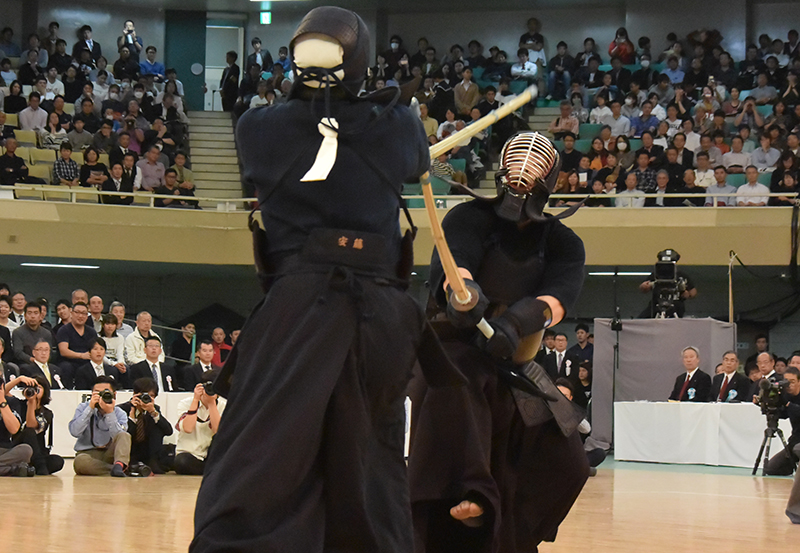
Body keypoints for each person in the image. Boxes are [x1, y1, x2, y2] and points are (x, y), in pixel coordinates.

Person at [191, 7, 465, 551]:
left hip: (298, 304)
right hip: (381, 313)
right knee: (368, 456)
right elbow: (411, 160)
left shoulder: (257, 127)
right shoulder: (399, 125)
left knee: (266, 449)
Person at [408, 131, 588, 553]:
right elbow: (457, 266)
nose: (524, 172)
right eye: (517, 161)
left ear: (551, 180)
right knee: (465, 388)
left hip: (516, 358)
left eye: (535, 165)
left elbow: (557, 299)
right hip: (454, 349)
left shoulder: (564, 242)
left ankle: (512, 537)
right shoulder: (467, 218)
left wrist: (518, 321)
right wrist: (463, 297)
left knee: (571, 464)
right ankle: (475, 492)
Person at [69, 376, 134, 476]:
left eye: (106, 392)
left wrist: (110, 413)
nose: (101, 396)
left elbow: (118, 436)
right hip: (88, 452)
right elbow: (75, 432)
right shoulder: (83, 408)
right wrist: (90, 409)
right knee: (80, 462)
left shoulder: (119, 413)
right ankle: (117, 469)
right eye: (97, 392)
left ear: (114, 395)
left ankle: (118, 465)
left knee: (124, 435)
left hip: (110, 453)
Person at [8, 373, 63, 475]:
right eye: (31, 387)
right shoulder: (18, 403)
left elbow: (32, 425)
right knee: (28, 432)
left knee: (58, 461)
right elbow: (3, 392)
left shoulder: (47, 413)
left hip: (38, 451)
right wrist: (19, 379)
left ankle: (28, 467)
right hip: (20, 448)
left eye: (38, 387)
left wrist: (32, 403)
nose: (34, 390)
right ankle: (38, 467)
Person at [117, 377, 173, 473]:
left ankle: (153, 462)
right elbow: (122, 435)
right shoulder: (122, 409)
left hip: (148, 452)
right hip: (130, 451)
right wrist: (132, 415)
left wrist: (153, 413)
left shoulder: (154, 409)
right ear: (135, 394)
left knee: (157, 425)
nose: (147, 399)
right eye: (144, 395)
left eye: (151, 396)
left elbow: (168, 431)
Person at [175, 369, 225, 475]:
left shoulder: (223, 405)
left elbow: (218, 431)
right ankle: (212, 470)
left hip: (212, 455)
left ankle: (211, 469)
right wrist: (195, 400)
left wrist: (212, 404)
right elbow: (188, 428)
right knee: (181, 462)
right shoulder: (185, 403)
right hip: (190, 454)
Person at [763, 366, 800, 476]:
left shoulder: (788, 400)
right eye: (786, 381)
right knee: (771, 469)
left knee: (798, 449)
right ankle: (793, 467)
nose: (789, 385)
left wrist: (787, 404)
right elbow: (783, 415)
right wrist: (766, 405)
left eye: (792, 381)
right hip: (794, 441)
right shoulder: (786, 395)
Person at [56, 302, 98, 388]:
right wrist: (81, 355)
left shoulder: (91, 332)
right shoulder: (64, 330)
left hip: (87, 361)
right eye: (77, 312)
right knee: (67, 367)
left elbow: (96, 348)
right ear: (71, 313)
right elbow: (63, 351)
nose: (80, 316)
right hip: (68, 362)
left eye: (84, 313)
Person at [0, 373, 35, 476]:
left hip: (4, 451)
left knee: (25, 450)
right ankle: (12, 470)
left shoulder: (11, 402)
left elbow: (14, 429)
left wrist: (2, 402)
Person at [12, 301, 55, 367]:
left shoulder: (47, 333)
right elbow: (18, 353)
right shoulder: (18, 332)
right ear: (25, 316)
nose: (32, 316)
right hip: (26, 364)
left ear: (40, 316)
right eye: (29, 313)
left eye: (36, 313)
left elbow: (50, 352)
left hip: (43, 363)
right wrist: (34, 360)